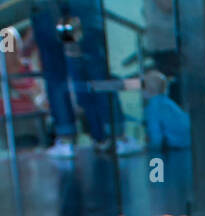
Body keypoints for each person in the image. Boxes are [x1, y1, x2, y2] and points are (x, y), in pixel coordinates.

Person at [31, 0, 139, 156]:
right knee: (96, 70)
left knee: (55, 73)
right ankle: (115, 135)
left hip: (45, 8)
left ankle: (66, 138)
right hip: (83, 7)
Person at [142, 69, 190, 150]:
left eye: (143, 86)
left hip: (176, 149)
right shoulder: (169, 103)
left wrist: (148, 150)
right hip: (187, 145)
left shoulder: (153, 107)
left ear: (149, 89)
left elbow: (156, 137)